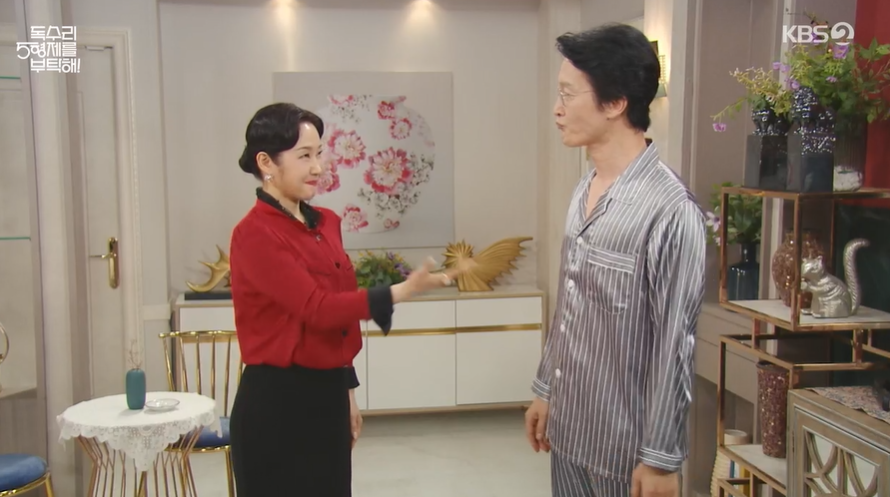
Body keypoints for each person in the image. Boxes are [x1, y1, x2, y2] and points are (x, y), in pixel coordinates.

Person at [228, 102, 463, 496]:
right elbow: (317, 308)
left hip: (328, 397)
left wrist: (347, 392)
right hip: (277, 406)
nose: (318, 167)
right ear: (266, 162)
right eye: (304, 156)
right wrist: (401, 291)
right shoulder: (254, 234)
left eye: (319, 153)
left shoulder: (327, 224)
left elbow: (339, 320)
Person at [524, 24, 706, 497]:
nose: (557, 109)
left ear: (616, 103)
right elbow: (570, 306)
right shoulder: (585, 188)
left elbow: (675, 343)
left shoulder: (671, 210)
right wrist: (546, 389)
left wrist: (661, 460)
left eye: (568, 95)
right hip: (569, 433)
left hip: (624, 453)